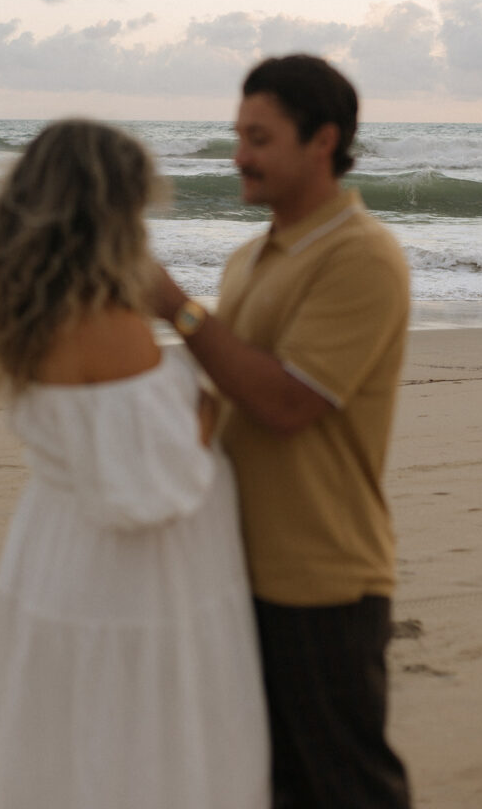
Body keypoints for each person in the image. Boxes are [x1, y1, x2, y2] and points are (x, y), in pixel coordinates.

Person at [0, 118, 269, 809]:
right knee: (140, 752)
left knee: (63, 746)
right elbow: (153, 483)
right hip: (132, 580)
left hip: (55, 551)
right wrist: (205, 409)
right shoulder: (105, 325)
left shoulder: (25, 310)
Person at [153, 55, 412, 809]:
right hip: (237, 571)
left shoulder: (361, 255)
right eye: (238, 135)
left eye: (259, 138)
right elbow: (223, 398)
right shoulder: (247, 257)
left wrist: (176, 307)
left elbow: (289, 404)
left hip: (323, 577)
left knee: (346, 789)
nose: (239, 155)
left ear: (321, 141)